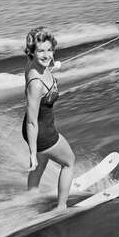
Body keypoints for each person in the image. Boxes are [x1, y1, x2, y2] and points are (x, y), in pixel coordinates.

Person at [22, 26, 75, 210]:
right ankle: (61, 206)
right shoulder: (36, 85)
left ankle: (31, 198)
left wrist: (53, 67)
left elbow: (43, 64)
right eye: (41, 51)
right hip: (40, 130)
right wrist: (32, 152)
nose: (46, 55)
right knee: (69, 162)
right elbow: (31, 121)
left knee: (41, 162)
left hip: (39, 127)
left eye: (49, 50)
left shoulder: (32, 64)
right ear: (32, 52)